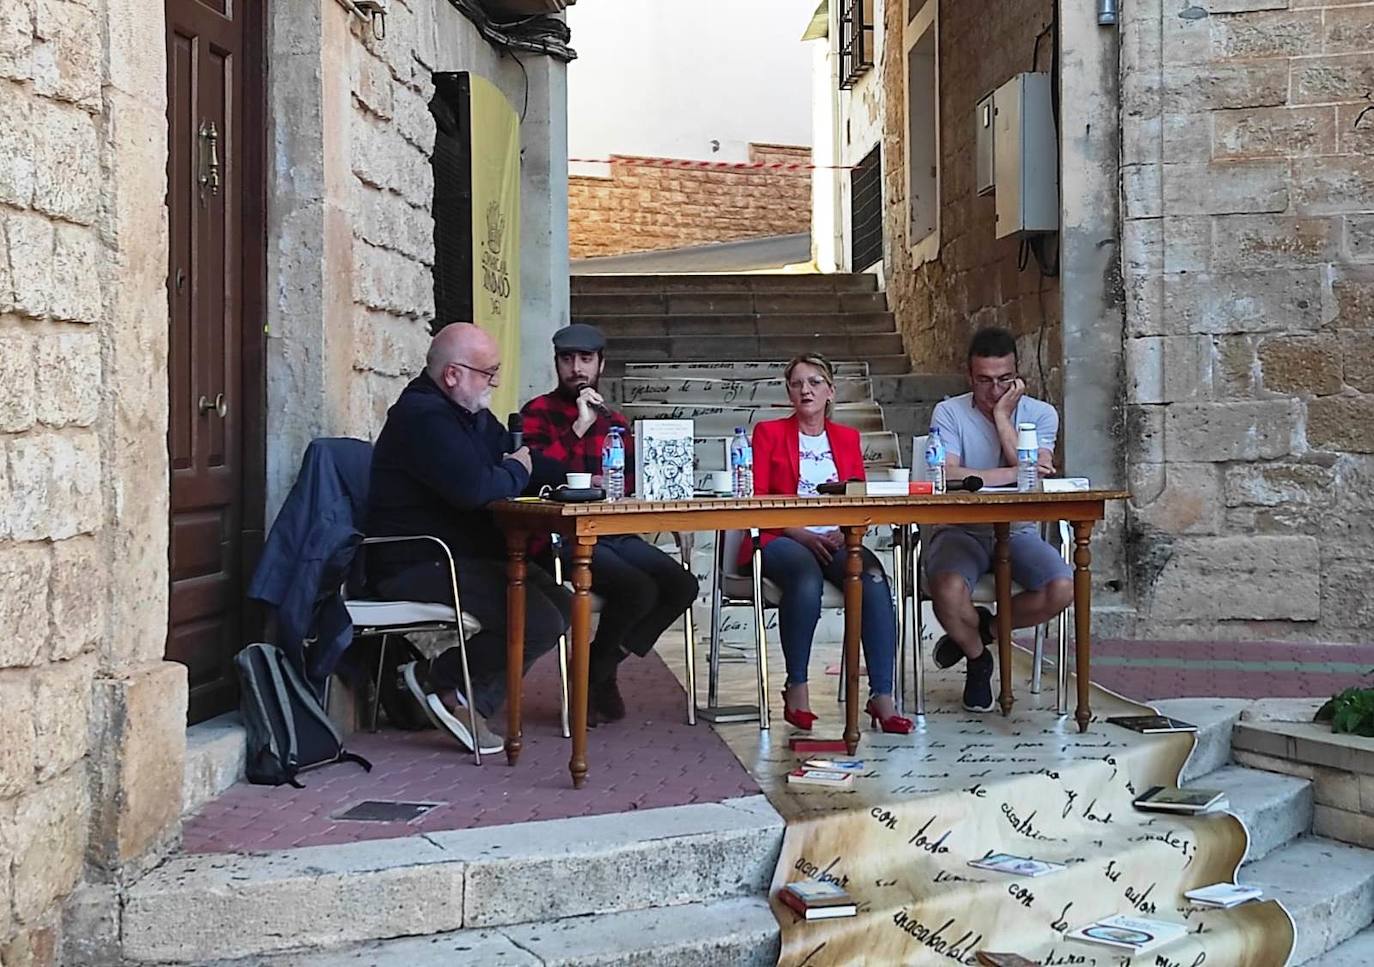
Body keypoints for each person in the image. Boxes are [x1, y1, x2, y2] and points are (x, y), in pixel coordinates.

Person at [368, 322, 569, 754]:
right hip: (417, 561)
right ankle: (442, 685)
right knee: (538, 620)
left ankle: (461, 698)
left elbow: (520, 457)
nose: (494, 383)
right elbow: (477, 488)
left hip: (464, 556)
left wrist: (578, 481)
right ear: (453, 374)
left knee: (565, 607)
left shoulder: (468, 413)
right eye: (487, 373)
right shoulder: (423, 416)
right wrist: (517, 471)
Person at [520, 323, 700, 725]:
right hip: (559, 538)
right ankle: (596, 677)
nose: (577, 369)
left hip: (614, 532)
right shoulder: (537, 413)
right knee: (637, 589)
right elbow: (530, 473)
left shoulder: (615, 422)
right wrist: (578, 427)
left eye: (585, 360)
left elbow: (636, 483)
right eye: (568, 360)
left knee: (682, 585)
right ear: (557, 364)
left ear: (601, 364)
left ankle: (598, 666)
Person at [741, 353, 912, 735]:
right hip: (780, 535)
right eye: (798, 383)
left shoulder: (848, 438)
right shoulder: (768, 433)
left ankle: (882, 695)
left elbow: (857, 498)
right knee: (805, 579)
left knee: (873, 579)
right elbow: (758, 497)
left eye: (815, 382)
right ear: (789, 392)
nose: (806, 390)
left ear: (831, 391)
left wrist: (843, 529)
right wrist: (800, 531)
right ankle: (797, 686)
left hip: (837, 538)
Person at [926, 326, 1074, 713]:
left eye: (1004, 380)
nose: (994, 389)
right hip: (963, 528)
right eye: (985, 381)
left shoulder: (1041, 413)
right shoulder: (949, 412)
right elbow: (948, 474)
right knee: (945, 587)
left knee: (1062, 588)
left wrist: (1003, 417)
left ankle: (984, 630)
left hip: (1018, 529)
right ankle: (977, 657)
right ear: (969, 376)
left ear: (1017, 376)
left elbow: (1036, 472)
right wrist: (1015, 472)